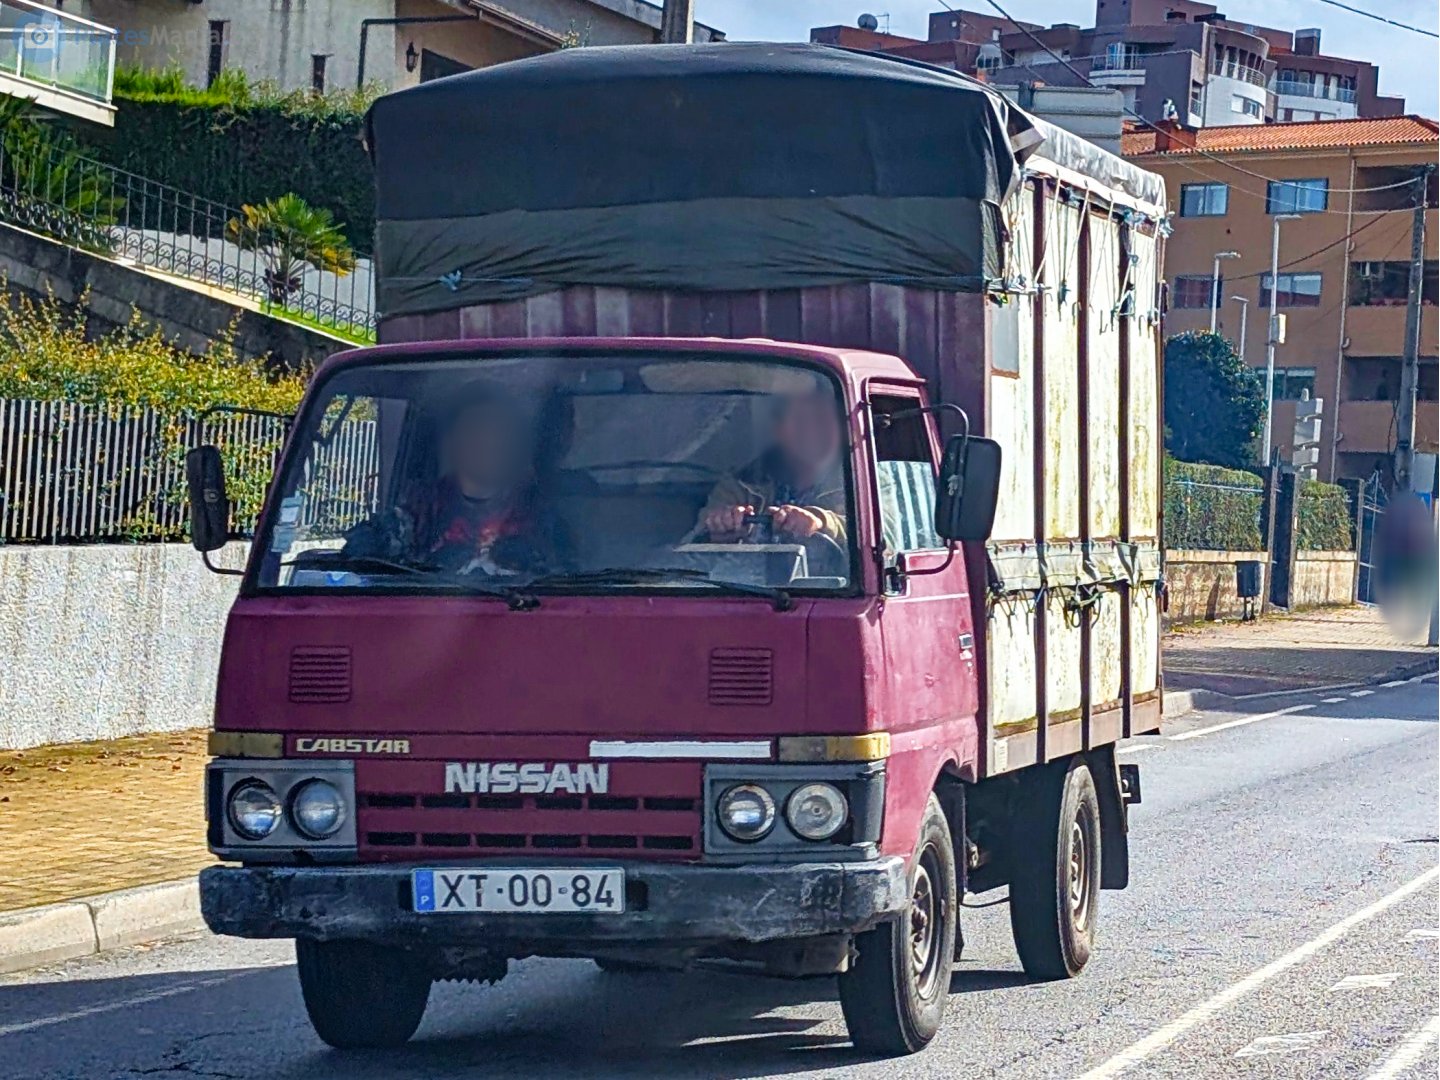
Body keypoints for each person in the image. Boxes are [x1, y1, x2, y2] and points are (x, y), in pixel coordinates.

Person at [345, 386, 568, 576]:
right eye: (475, 430)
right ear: (454, 442)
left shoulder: (540, 515)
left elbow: (566, 586)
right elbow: (364, 554)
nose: (488, 442)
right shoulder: (421, 513)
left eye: (498, 432)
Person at [698, 390, 846, 545]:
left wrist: (821, 522)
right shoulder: (740, 486)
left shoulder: (860, 481)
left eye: (823, 420)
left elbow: (867, 534)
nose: (813, 431)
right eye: (802, 421)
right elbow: (689, 550)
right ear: (779, 429)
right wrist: (720, 529)